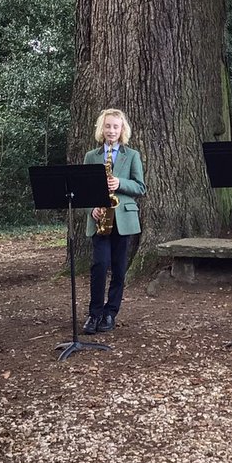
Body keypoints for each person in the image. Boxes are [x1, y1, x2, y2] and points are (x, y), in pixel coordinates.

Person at [82, 108, 145, 335]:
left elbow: (140, 187)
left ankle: (111, 313)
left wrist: (119, 183)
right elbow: (83, 190)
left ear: (122, 130)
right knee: (99, 265)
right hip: (100, 220)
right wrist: (92, 210)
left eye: (115, 127)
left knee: (119, 269)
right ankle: (94, 313)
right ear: (102, 128)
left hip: (123, 219)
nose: (111, 130)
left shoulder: (132, 155)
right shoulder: (92, 156)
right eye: (107, 126)